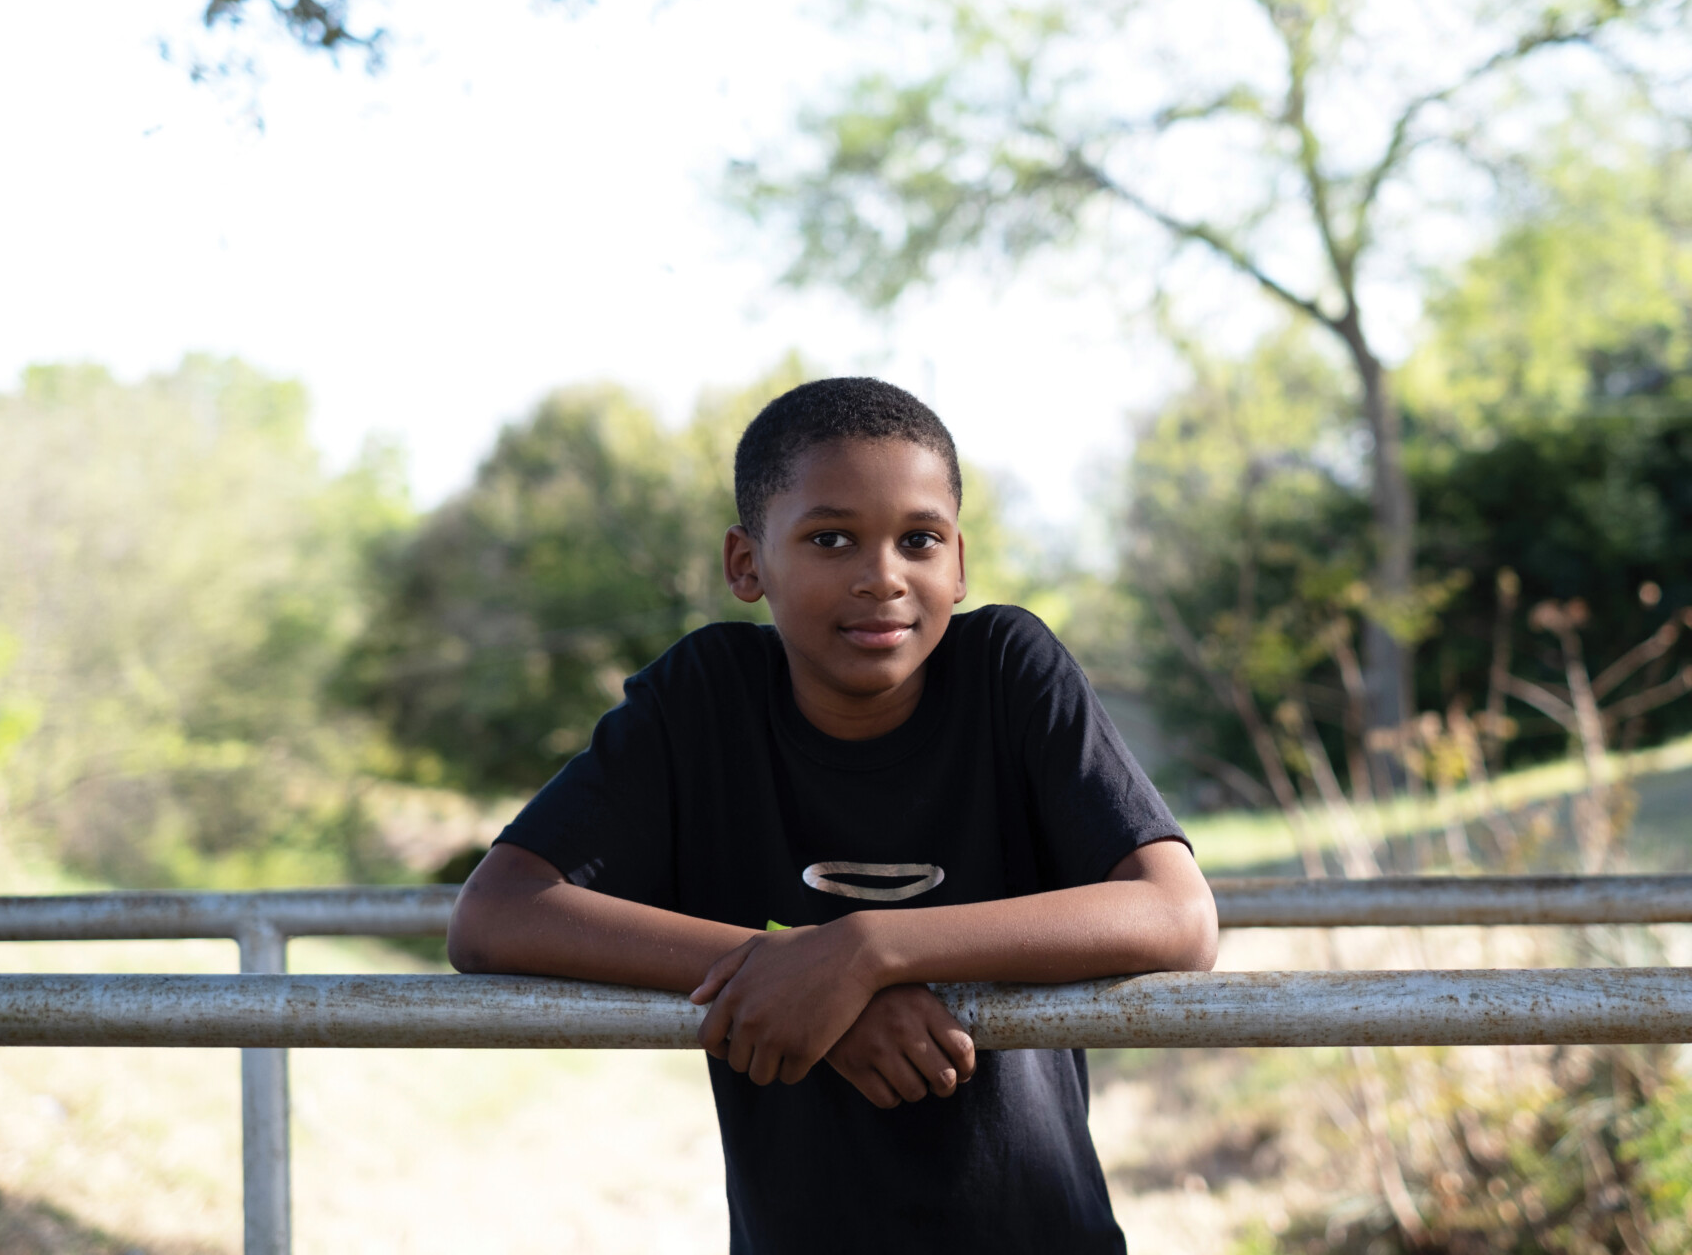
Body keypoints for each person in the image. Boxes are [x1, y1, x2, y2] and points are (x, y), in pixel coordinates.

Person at [446, 377, 1217, 1254]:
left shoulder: (1010, 672)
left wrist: (866, 952)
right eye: (831, 538)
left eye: (918, 539)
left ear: (958, 563)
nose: (881, 576)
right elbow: (493, 915)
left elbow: (1177, 915)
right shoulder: (703, 701)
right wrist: (792, 976)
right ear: (747, 563)